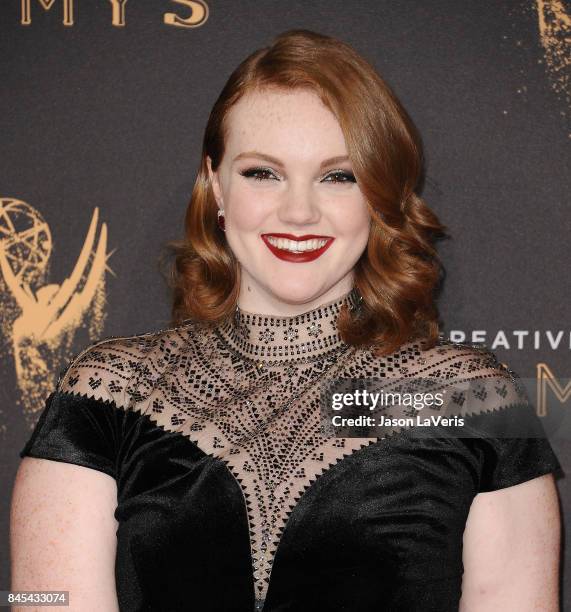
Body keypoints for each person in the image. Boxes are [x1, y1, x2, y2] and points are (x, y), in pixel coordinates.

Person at [11, 29, 562, 612]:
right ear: (215, 184)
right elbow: (40, 597)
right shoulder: (107, 392)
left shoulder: (474, 401)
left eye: (338, 175)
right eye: (262, 173)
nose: (299, 212)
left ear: (378, 197)